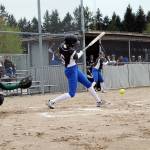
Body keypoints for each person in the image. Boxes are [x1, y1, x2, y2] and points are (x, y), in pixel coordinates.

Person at [48, 34, 103, 109]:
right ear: (70, 43)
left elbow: (74, 54)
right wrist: (81, 52)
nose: (76, 44)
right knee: (71, 94)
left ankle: (99, 101)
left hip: (74, 68)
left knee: (88, 84)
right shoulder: (71, 51)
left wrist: (79, 52)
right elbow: (77, 56)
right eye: (74, 43)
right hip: (71, 71)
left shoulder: (61, 46)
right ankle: (52, 101)